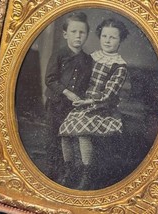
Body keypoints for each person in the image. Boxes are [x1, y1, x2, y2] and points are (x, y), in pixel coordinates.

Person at [59, 18, 129, 190]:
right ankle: (70, 171)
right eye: (104, 36)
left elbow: (109, 94)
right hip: (82, 104)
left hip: (102, 108)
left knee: (82, 134)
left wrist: (90, 101)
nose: (107, 40)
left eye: (113, 37)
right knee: (64, 134)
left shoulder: (119, 66)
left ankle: (86, 174)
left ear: (120, 40)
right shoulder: (91, 58)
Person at [44, 12, 92, 181]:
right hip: (56, 103)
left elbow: (87, 84)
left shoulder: (88, 60)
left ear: (86, 35)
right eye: (73, 32)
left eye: (82, 32)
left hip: (73, 108)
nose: (78, 36)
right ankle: (52, 172)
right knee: (53, 137)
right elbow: (50, 79)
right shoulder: (59, 54)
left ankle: (67, 172)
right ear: (65, 34)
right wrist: (66, 92)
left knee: (68, 139)